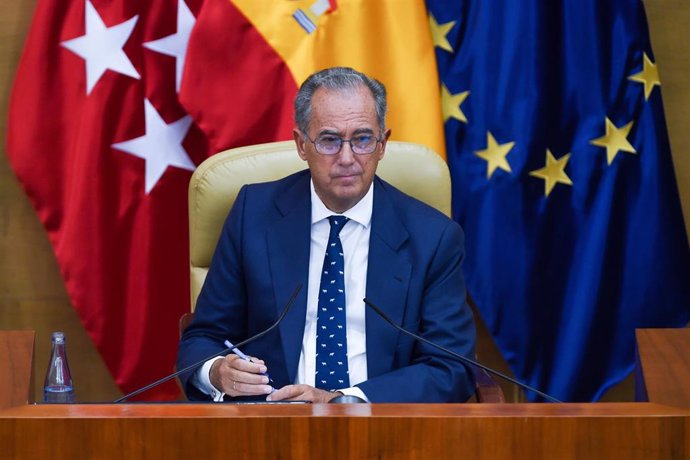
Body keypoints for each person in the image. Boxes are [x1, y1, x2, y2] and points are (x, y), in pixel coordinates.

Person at [177, 67, 476, 403]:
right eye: (330, 140)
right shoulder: (254, 215)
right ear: (302, 144)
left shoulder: (434, 238)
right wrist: (217, 371)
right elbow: (203, 337)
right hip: (270, 429)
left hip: (383, 429)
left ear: (382, 145)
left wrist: (344, 400)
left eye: (363, 139)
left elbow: (452, 367)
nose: (347, 158)